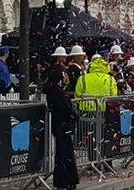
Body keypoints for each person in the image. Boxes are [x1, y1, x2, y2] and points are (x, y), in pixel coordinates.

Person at [43, 57, 79, 190]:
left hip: (61, 125)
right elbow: (66, 108)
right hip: (62, 125)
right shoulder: (57, 92)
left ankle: (67, 179)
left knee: (65, 152)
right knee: (64, 153)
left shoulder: (55, 91)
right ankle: (64, 180)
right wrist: (74, 115)